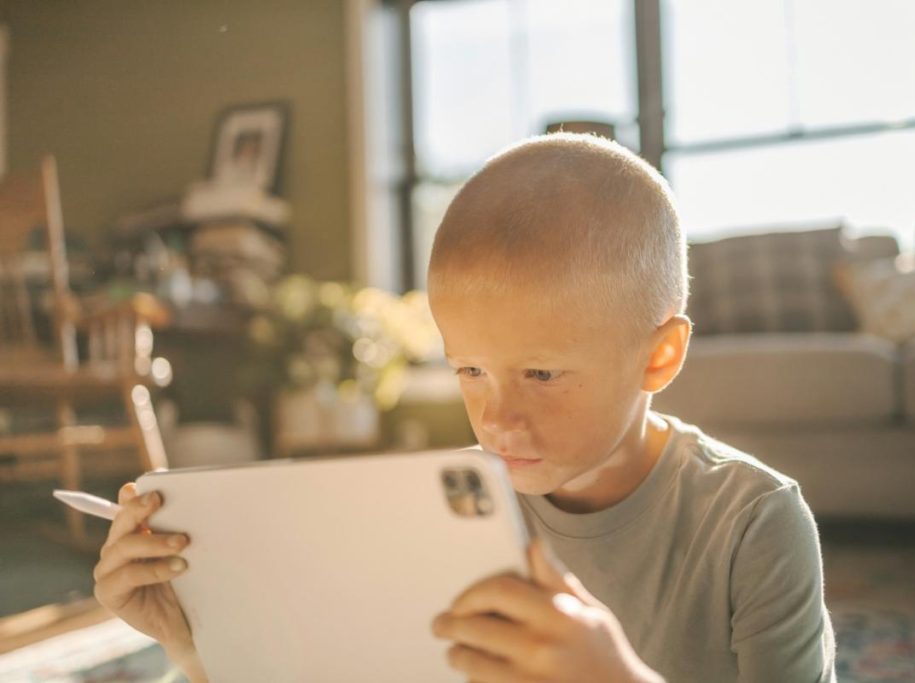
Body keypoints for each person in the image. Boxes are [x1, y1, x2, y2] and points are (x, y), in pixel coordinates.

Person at [93, 133, 837, 682]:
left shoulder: (754, 523)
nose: (499, 418)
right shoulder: (437, 511)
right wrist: (195, 643)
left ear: (658, 357)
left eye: (542, 372)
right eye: (471, 369)